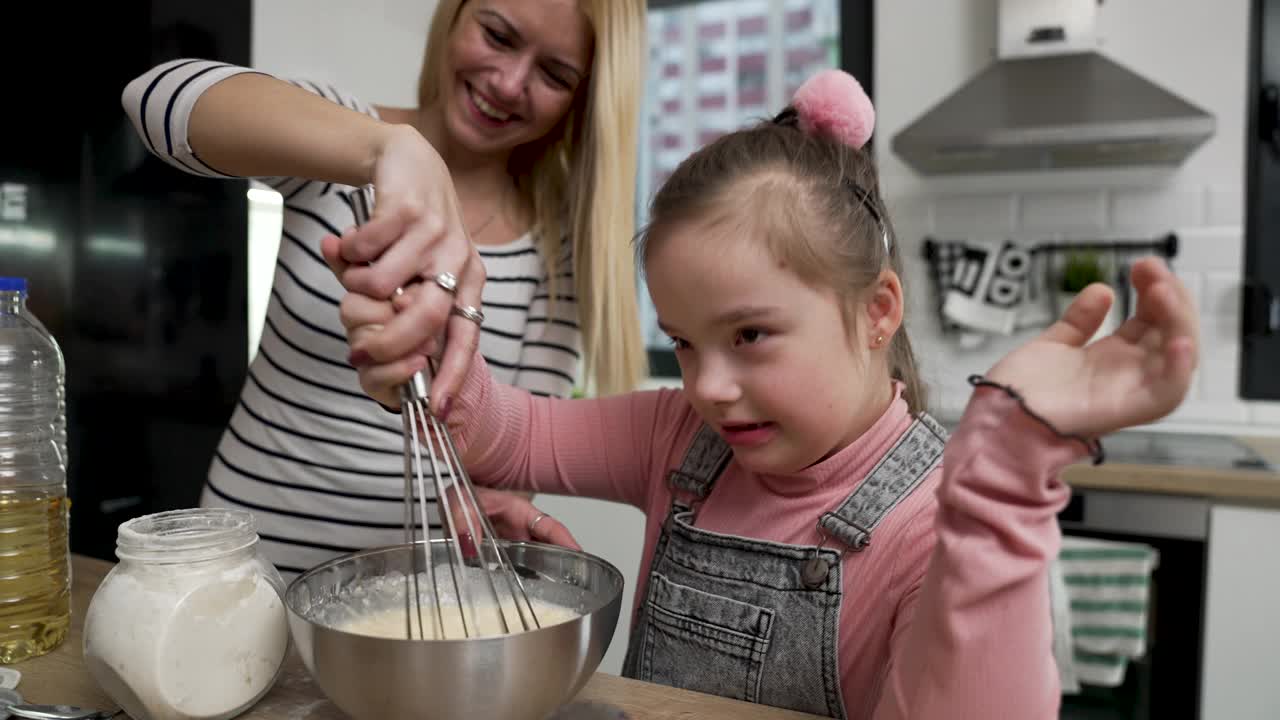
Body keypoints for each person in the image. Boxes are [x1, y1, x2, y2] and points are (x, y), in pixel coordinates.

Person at [336, 69, 1199, 719]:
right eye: (683, 342)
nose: (707, 386)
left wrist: (1005, 483)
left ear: (876, 310)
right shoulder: (681, 437)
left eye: (750, 336)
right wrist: (437, 348)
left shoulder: (942, 522)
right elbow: (508, 436)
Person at [119, 0, 648, 576]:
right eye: (497, 36)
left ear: (581, 100)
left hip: (415, 602)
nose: (509, 83)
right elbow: (155, 100)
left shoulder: (561, 247)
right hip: (244, 573)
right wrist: (388, 149)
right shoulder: (346, 138)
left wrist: (494, 509)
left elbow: (508, 464)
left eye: (554, 75)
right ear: (455, 17)